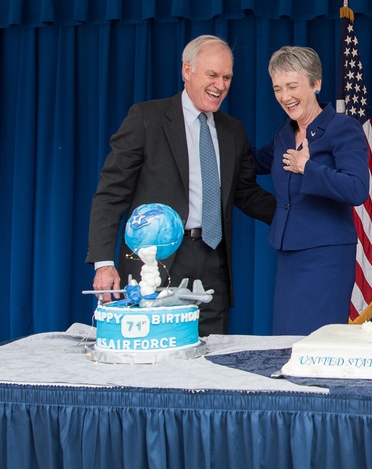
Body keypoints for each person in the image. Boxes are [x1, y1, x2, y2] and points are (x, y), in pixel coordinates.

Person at [87, 35, 276, 335]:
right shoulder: (146, 119)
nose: (220, 84)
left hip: (213, 263)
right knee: (152, 362)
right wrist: (102, 263)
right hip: (155, 265)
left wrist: (295, 216)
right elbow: (111, 193)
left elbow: (245, 193)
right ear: (187, 71)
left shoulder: (233, 132)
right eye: (212, 74)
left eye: (227, 77)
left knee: (210, 362)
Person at [254, 46, 369, 335]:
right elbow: (253, 163)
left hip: (327, 257)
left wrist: (309, 168)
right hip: (289, 253)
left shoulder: (342, 128)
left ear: (316, 84)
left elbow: (357, 189)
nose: (284, 96)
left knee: (317, 343)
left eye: (292, 86)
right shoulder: (285, 133)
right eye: (278, 88)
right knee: (286, 341)